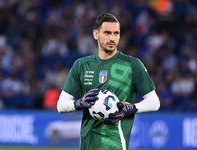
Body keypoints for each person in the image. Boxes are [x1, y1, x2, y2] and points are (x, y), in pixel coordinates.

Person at [57, 12, 160, 150]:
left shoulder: (133, 65)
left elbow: (154, 102)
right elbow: (61, 105)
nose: (112, 38)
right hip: (87, 145)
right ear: (96, 34)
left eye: (116, 33)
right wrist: (79, 103)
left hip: (115, 144)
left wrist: (133, 108)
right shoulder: (81, 65)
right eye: (107, 33)